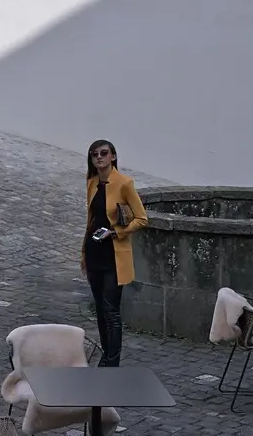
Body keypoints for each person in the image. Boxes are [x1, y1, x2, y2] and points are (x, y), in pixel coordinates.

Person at [81, 139, 148, 367]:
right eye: (94, 154)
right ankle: (106, 355)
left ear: (113, 156)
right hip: (93, 253)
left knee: (111, 310)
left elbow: (142, 218)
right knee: (100, 309)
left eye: (103, 153)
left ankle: (112, 361)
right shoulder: (91, 182)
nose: (99, 157)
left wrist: (116, 232)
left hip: (113, 255)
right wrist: (83, 255)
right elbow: (91, 221)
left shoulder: (124, 183)